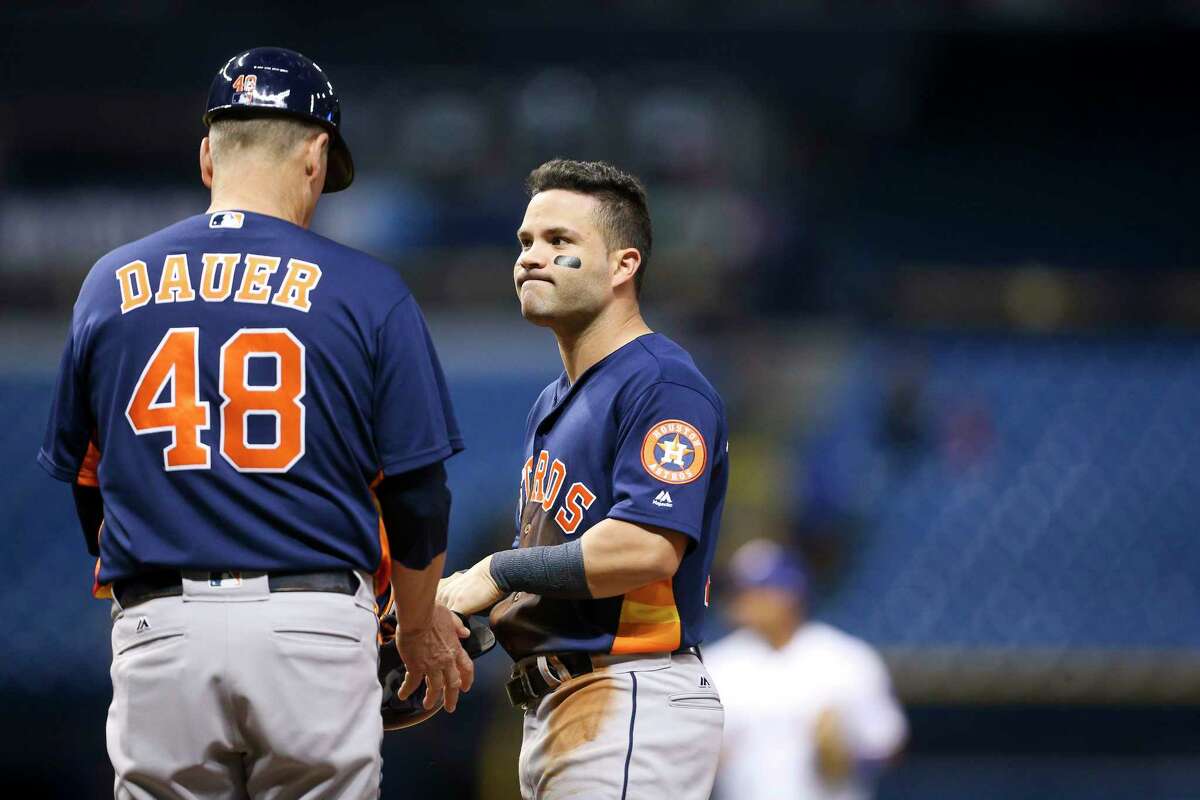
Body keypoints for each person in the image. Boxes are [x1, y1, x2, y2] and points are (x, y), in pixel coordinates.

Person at [37, 47, 474, 799]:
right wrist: (416, 621)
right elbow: (417, 492)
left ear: (208, 155)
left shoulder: (108, 285)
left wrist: (158, 587)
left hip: (160, 628)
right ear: (315, 155)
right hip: (311, 624)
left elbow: (86, 481)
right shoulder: (369, 291)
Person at [438, 159, 729, 799]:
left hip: (629, 693)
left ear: (624, 265)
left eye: (559, 242)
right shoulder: (554, 400)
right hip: (565, 702)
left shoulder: (662, 384)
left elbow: (646, 548)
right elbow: (563, 564)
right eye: (525, 242)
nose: (531, 258)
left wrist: (496, 573)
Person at [705, 539, 907, 800]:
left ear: (791, 593)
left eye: (759, 591)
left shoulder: (847, 658)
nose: (746, 601)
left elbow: (887, 744)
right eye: (740, 591)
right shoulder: (716, 663)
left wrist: (846, 756)